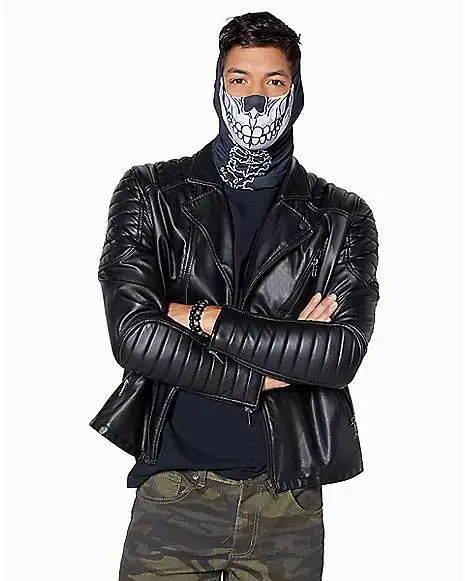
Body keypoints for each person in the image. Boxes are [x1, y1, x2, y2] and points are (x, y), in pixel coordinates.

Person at [91, 10, 380, 581]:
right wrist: (268, 368)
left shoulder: (342, 216)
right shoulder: (151, 192)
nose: (255, 98)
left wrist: (200, 317)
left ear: (297, 92)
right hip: (175, 492)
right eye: (239, 78)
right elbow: (135, 336)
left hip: (287, 501)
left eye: (274, 81)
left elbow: (339, 355)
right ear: (217, 85)